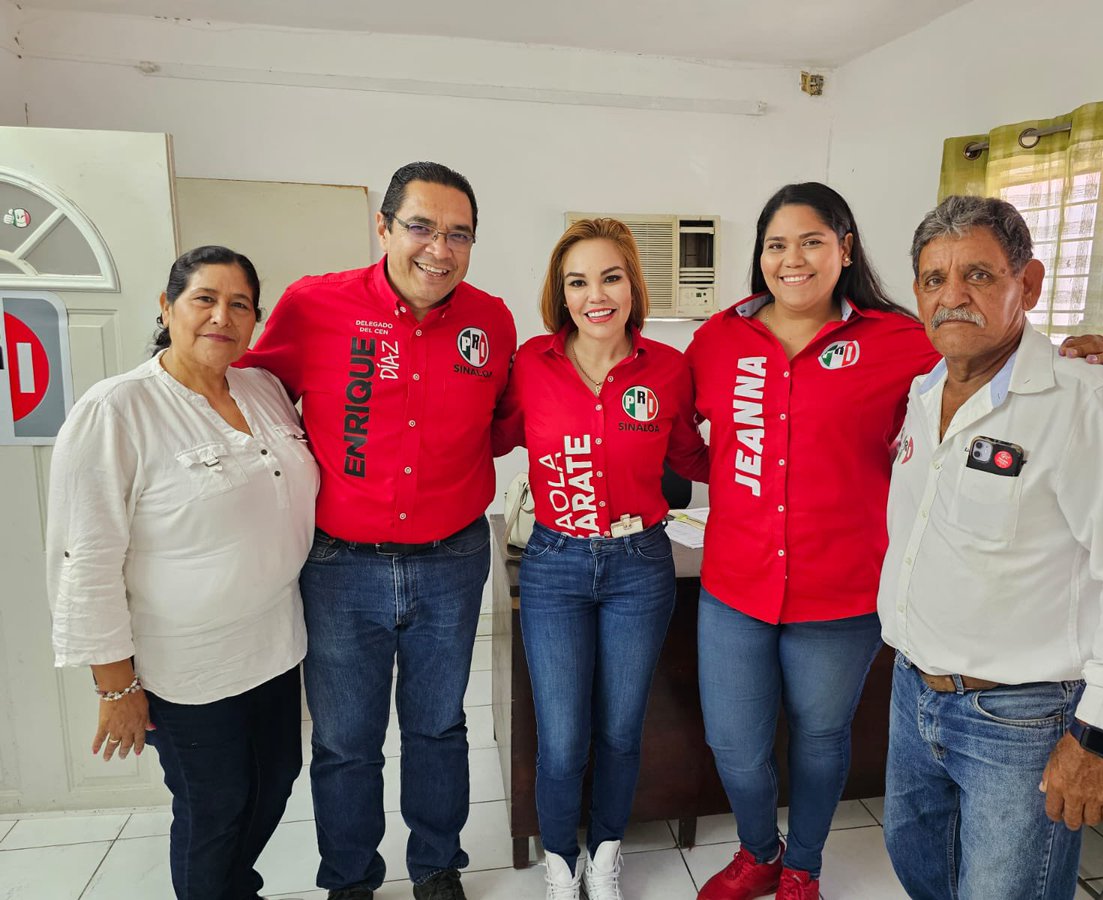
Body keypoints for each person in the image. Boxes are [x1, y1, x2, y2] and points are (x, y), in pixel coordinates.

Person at [684, 183, 1103, 900]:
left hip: (844, 589)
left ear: (845, 248)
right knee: (734, 744)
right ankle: (759, 851)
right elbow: (682, 438)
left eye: (812, 241)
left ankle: (803, 867)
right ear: (759, 256)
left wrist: (1081, 354)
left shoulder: (900, 337)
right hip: (735, 583)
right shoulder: (717, 339)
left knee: (823, 742)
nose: (792, 259)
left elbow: (992, 353)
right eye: (776, 244)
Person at [878, 194, 1103, 900]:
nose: (953, 297)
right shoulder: (925, 393)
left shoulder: (1089, 402)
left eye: (979, 276)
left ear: (1031, 283)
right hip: (915, 695)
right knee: (924, 875)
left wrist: (1099, 737)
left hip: (1020, 723)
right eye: (934, 280)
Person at [237, 161, 516, 900]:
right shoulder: (312, 304)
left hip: (453, 558)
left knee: (436, 728)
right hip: (339, 567)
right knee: (344, 743)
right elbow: (249, 393)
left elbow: (501, 422)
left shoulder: (491, 320)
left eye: (460, 234)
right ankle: (351, 881)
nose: (439, 248)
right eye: (421, 227)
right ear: (384, 228)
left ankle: (435, 866)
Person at [46, 245, 319, 900]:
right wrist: (115, 687)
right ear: (167, 308)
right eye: (205, 299)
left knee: (276, 778)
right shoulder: (117, 410)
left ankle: (232, 889)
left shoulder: (263, 389)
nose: (221, 316)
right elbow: (85, 556)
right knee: (214, 807)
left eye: (240, 304)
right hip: (188, 666)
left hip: (276, 645)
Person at [492, 218, 708, 899]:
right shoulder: (531, 363)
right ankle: (562, 863)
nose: (596, 295)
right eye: (577, 281)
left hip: (640, 566)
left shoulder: (669, 369)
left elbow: (693, 460)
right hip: (554, 563)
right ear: (561, 294)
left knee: (620, 729)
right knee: (561, 736)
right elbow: (485, 434)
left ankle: (606, 852)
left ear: (632, 284)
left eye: (610, 277)